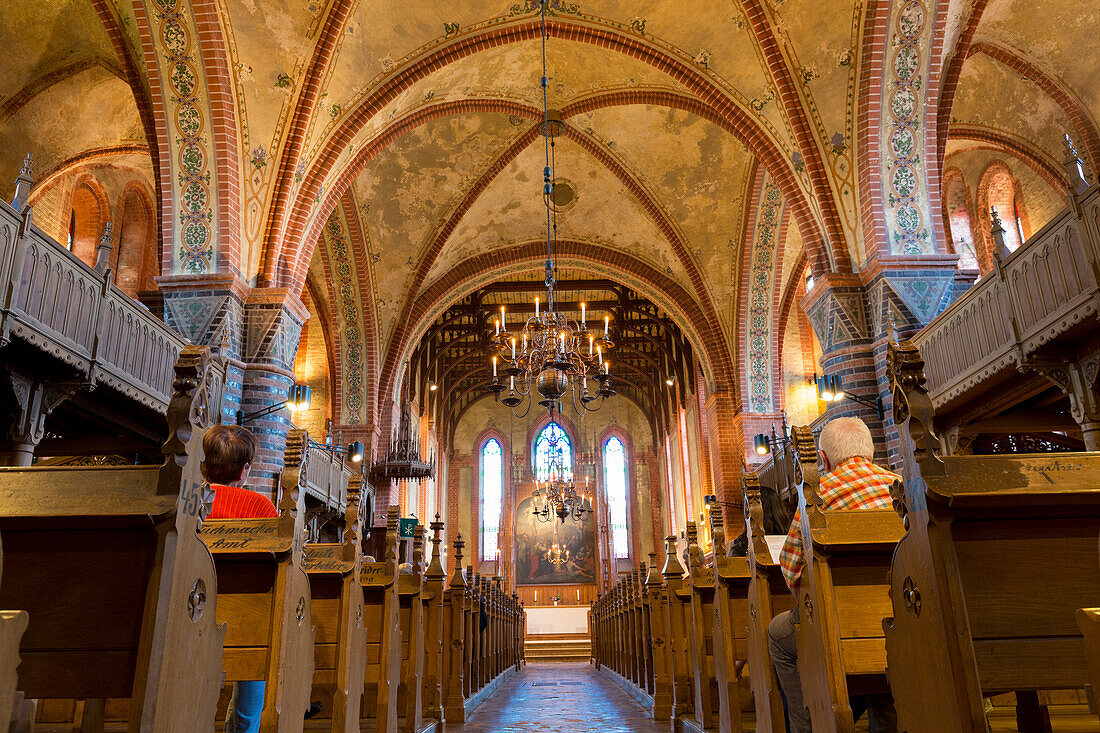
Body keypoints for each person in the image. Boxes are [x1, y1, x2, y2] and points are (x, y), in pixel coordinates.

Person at [767, 417, 900, 733]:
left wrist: (819, 616)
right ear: (871, 451)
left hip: (842, 627)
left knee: (778, 633)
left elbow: (792, 570)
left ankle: (809, 727)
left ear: (823, 459)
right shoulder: (902, 486)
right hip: (906, 623)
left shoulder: (817, 496)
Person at [202, 424, 278, 733]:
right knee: (249, 695)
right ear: (244, 471)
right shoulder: (260, 507)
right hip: (248, 621)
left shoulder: (188, 500)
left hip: (192, 611)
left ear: (205, 465)